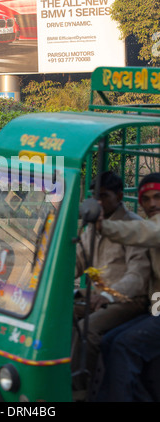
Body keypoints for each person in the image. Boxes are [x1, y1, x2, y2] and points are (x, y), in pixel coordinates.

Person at [71, 171, 151, 398]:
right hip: (97, 293)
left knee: (90, 329)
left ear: (119, 196)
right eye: (94, 197)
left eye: (104, 196)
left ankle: (79, 391)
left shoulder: (133, 227)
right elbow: (77, 260)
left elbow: (137, 276)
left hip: (128, 299)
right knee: (58, 310)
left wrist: (107, 297)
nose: (98, 203)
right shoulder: (92, 228)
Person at [96, 172, 160, 402]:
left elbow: (142, 231)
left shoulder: (147, 226)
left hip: (151, 308)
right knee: (109, 340)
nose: (152, 204)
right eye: (146, 199)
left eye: (158, 197)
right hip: (155, 308)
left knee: (124, 344)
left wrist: (105, 227)